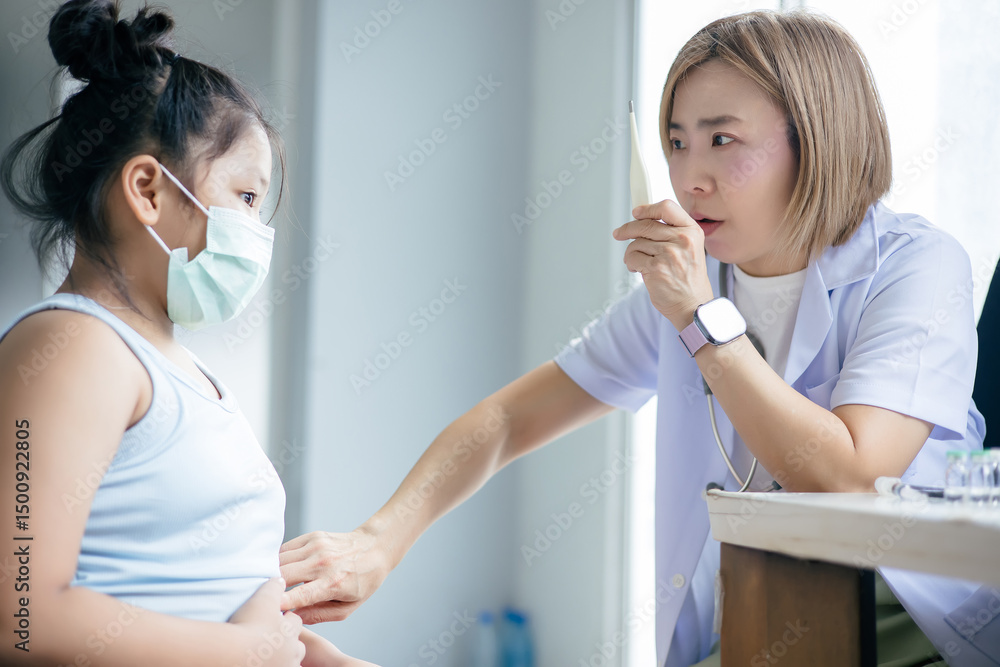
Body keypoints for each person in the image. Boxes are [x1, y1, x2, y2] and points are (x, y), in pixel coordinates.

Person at [277, 9, 997, 667]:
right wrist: (379, 540)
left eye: (723, 140)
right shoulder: (689, 286)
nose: (689, 177)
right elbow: (505, 420)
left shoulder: (914, 265)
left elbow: (849, 475)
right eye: (676, 143)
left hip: (910, 619)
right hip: (769, 610)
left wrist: (698, 318)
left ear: (816, 141)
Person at [0, 1, 376, 665]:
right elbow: (18, 611)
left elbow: (216, 601)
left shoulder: (183, 374)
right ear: (148, 188)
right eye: (248, 197)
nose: (257, 231)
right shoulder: (72, 351)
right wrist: (247, 650)